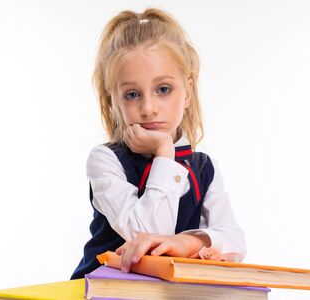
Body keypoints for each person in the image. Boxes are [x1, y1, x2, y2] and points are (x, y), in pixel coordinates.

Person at [71, 8, 246, 280]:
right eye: (132, 94)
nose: (148, 108)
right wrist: (165, 151)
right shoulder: (105, 160)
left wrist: (192, 242)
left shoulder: (203, 167)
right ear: (112, 102)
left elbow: (235, 240)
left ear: (187, 91)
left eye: (163, 89)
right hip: (105, 290)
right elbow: (148, 235)